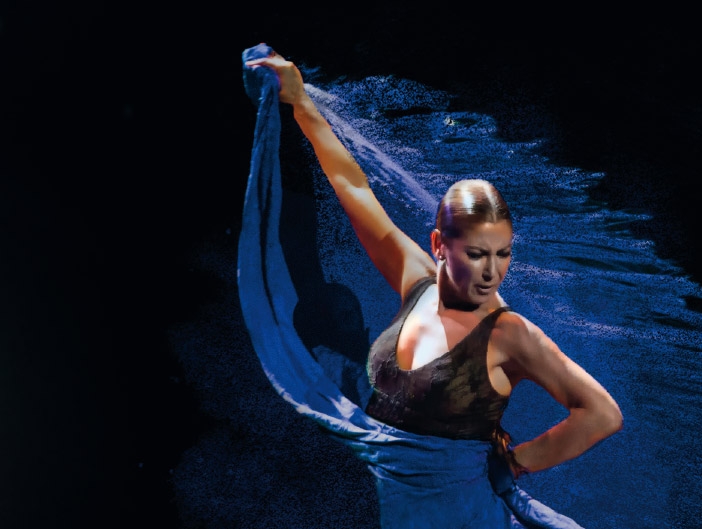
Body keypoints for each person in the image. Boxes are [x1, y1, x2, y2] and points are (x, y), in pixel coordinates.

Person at [240, 43, 622, 528]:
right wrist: (301, 104)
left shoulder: (509, 333)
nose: (492, 271)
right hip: (383, 504)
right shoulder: (415, 279)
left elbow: (602, 413)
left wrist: (516, 463)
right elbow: (355, 188)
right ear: (439, 244)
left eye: (503, 254)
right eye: (477, 254)